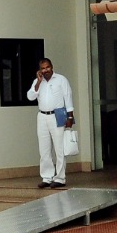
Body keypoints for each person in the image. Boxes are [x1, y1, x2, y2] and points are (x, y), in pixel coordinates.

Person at [26, 57, 74, 189]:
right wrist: (38, 82)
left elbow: (68, 97)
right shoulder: (38, 81)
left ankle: (60, 178)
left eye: (47, 67)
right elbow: (30, 96)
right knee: (44, 149)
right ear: (39, 70)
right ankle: (47, 177)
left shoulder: (61, 79)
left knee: (59, 148)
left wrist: (70, 117)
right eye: (43, 68)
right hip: (42, 116)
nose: (46, 70)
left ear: (52, 67)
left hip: (57, 115)